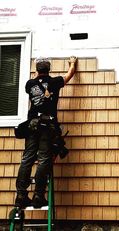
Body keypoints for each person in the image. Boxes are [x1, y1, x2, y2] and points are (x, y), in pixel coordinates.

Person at [15, 56, 77, 209]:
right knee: (43, 160)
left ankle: (21, 195)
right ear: (49, 70)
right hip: (46, 127)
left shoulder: (30, 84)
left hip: (32, 126)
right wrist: (72, 63)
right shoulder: (54, 82)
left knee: (27, 159)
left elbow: (35, 83)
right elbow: (69, 75)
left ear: (37, 70)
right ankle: (38, 196)